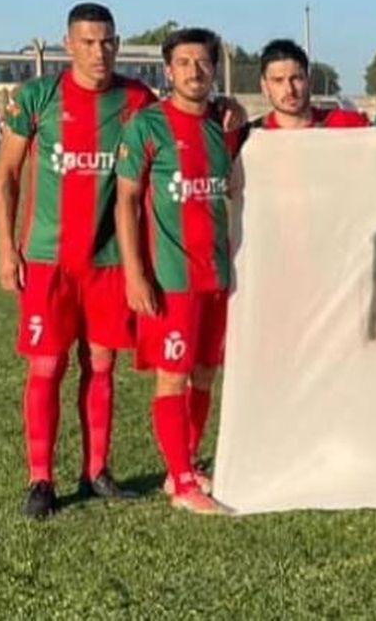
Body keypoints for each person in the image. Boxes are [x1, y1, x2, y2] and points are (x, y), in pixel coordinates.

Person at [0, 2, 156, 518]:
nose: (98, 51)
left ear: (118, 42)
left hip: (108, 260)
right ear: (68, 44)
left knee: (101, 364)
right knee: (46, 365)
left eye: (106, 41)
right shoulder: (39, 97)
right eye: (87, 42)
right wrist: (5, 246)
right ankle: (41, 479)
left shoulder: (135, 98)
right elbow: (8, 175)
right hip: (47, 260)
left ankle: (97, 471)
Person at [115, 27, 240, 515]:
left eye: (203, 62)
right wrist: (134, 273)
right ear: (168, 70)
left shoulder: (224, 126)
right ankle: (185, 484)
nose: (194, 71)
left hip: (218, 277)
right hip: (172, 279)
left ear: (214, 68)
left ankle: (178, 468)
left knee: (206, 374)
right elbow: (126, 201)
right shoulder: (147, 126)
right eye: (184, 63)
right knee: (173, 376)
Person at [248, 39, 369, 130]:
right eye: (278, 80)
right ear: (264, 86)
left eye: (296, 78)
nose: (289, 90)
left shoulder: (349, 124)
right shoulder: (246, 138)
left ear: (310, 81)